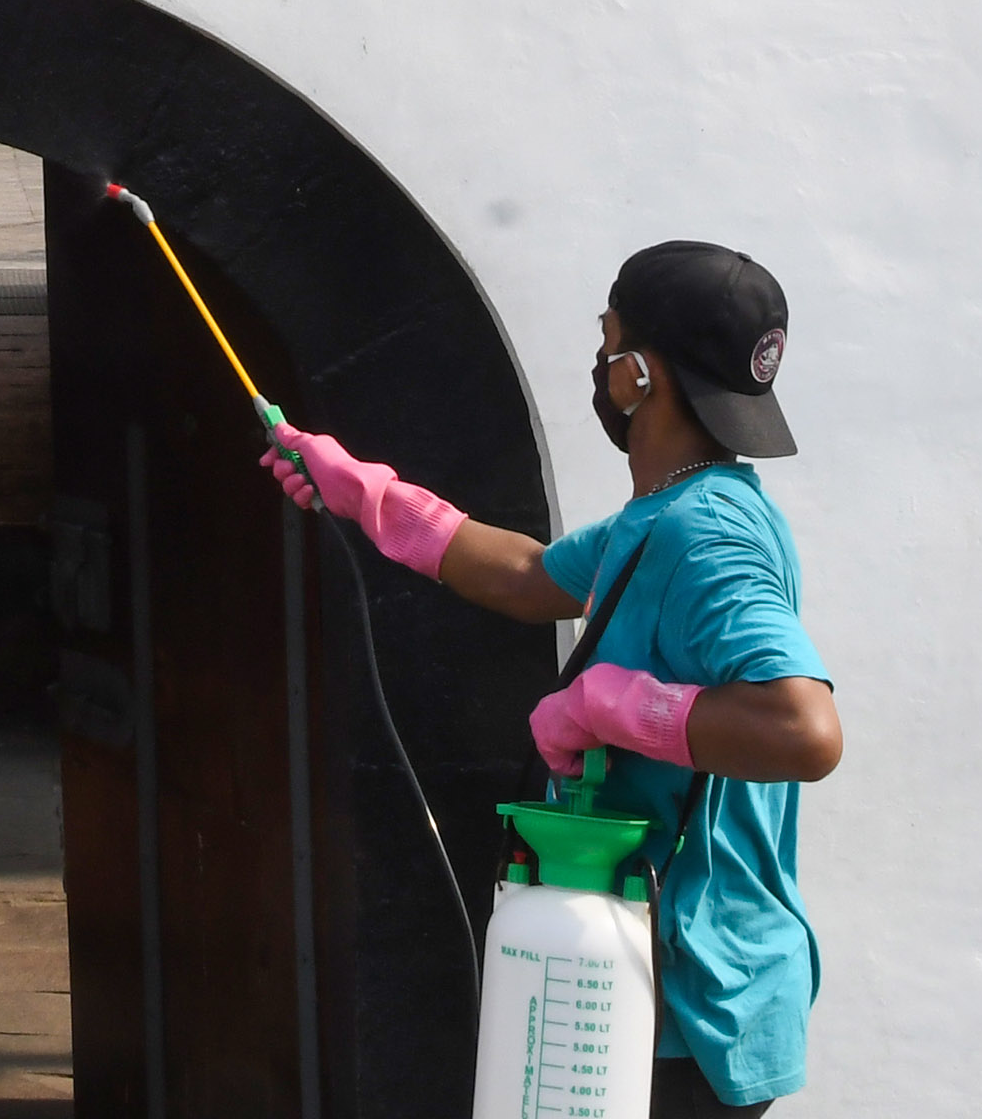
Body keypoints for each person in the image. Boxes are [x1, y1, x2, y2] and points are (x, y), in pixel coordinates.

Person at [263, 242, 839, 1119]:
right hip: (642, 986)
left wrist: (611, 705)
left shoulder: (708, 537)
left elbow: (803, 730)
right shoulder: (670, 512)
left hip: (688, 1007)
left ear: (641, 376)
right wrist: (362, 490)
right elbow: (532, 575)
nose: (600, 369)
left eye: (610, 346)